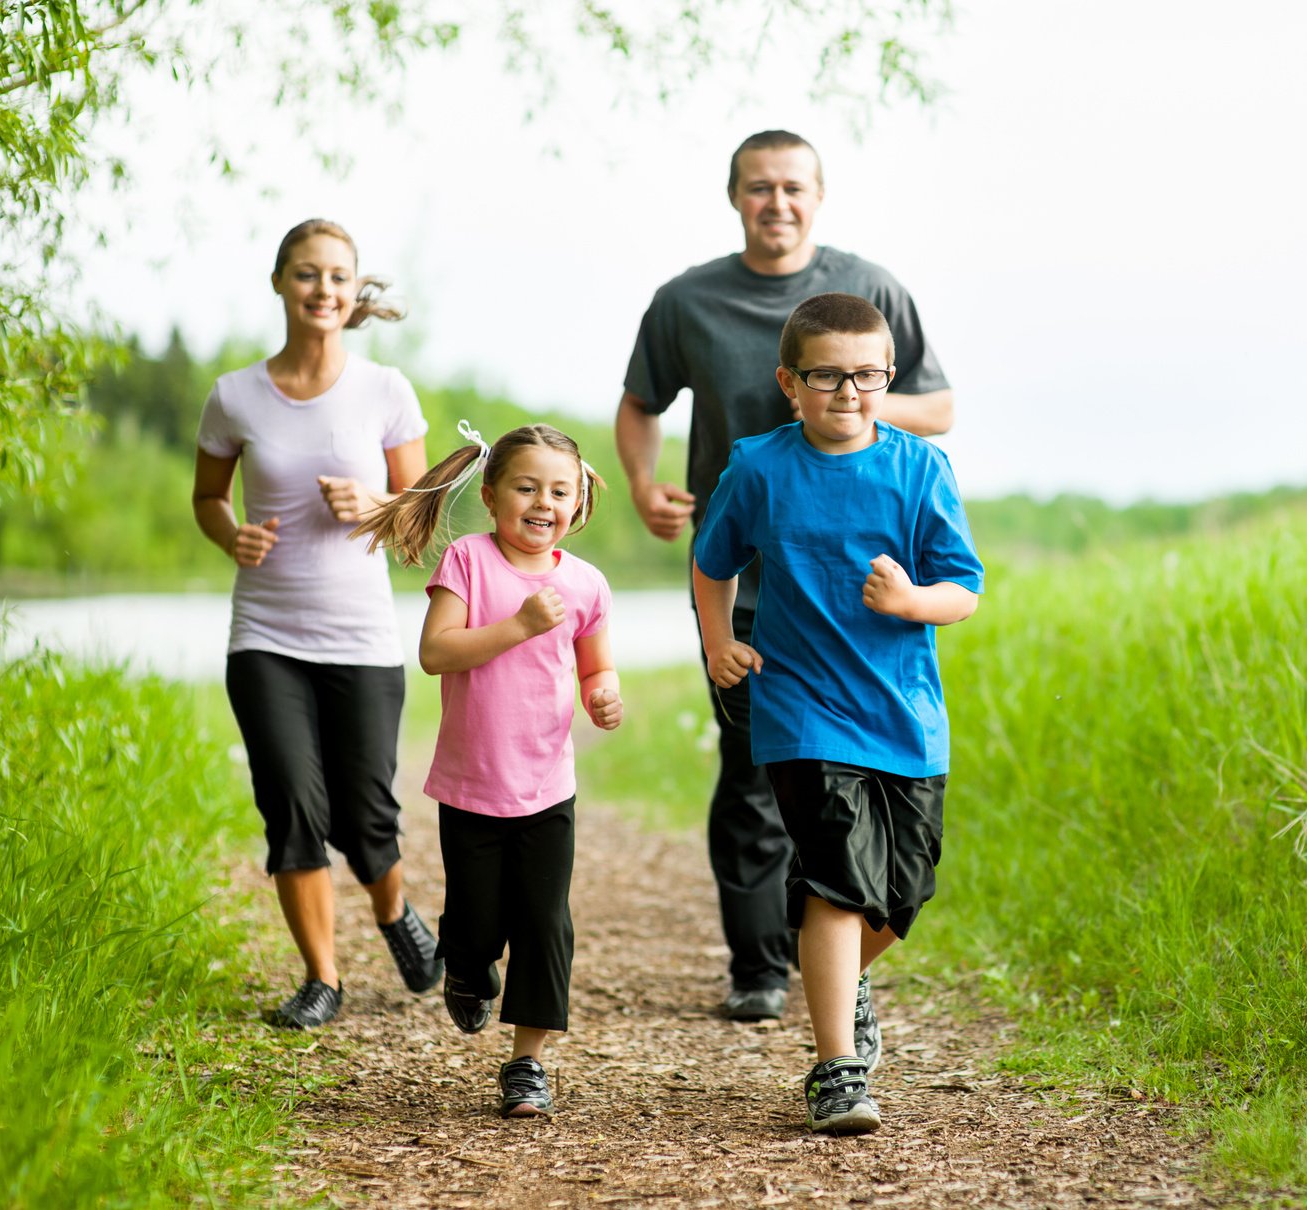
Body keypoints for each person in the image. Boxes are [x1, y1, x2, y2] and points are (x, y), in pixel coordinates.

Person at [616, 129, 956, 1021]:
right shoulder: (686, 300)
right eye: (759, 187)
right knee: (752, 774)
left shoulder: (872, 289)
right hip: (744, 578)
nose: (778, 202)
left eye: (793, 187)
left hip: (854, 588)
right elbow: (639, 405)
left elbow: (941, 406)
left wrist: (845, 401)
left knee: (861, 820)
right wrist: (647, 485)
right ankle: (760, 965)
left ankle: (829, 950)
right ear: (735, 197)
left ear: (818, 195)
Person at [692, 293, 983, 1134]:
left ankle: (838, 974)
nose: (848, 391)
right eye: (827, 375)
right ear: (790, 382)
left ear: (886, 379)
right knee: (837, 881)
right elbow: (713, 564)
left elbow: (962, 592)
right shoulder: (757, 467)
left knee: (902, 893)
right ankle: (835, 1069)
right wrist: (718, 642)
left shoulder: (919, 468)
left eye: (867, 375)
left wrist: (910, 600)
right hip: (801, 706)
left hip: (904, 713)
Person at [192, 218, 442, 1031]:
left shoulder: (385, 390)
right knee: (292, 806)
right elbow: (207, 497)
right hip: (265, 635)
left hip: (362, 640)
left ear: (353, 289)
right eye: (306, 275)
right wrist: (231, 533)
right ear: (280, 284)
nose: (322, 290)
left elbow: (418, 527)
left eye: (337, 276)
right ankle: (322, 979)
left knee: (367, 818)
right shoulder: (234, 395)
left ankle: (393, 909)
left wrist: (376, 506)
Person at [354, 422, 622, 1118]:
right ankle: (466, 967)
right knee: (475, 924)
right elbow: (437, 653)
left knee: (544, 922)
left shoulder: (586, 584)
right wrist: (519, 627)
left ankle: (527, 1063)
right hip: (473, 784)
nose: (543, 501)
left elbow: (595, 663)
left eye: (558, 490)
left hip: (547, 785)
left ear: (577, 501)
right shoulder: (469, 563)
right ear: (494, 493)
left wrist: (602, 692)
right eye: (527, 486)